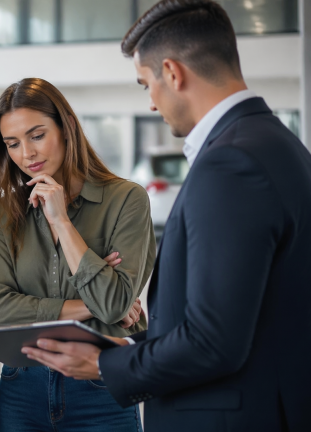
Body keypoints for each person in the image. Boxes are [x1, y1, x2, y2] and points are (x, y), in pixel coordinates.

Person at [21, 1, 311, 431]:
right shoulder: (278, 144)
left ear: (173, 73)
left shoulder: (231, 162)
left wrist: (106, 363)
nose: (153, 104)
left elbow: (213, 343)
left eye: (145, 85)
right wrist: (139, 343)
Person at [0, 77, 156, 431]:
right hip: (22, 387)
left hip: (100, 384)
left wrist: (61, 221)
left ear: (65, 129)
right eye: (12, 143)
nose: (26, 153)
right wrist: (94, 304)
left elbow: (115, 303)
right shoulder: (5, 212)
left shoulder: (126, 200)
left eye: (37, 135)